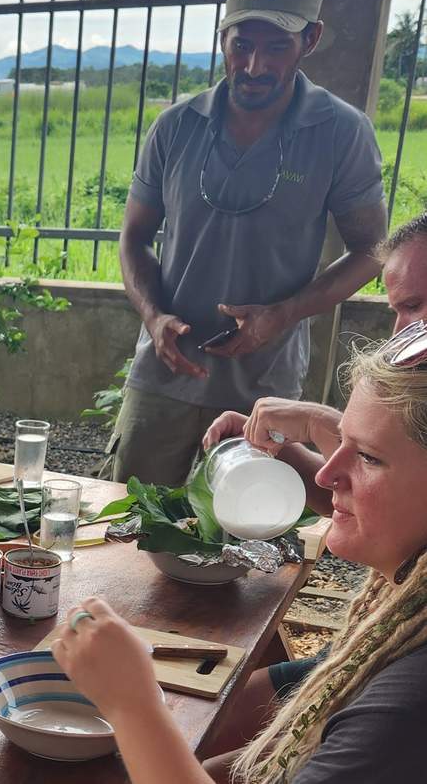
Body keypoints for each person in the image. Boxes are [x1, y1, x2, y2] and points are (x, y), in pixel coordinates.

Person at [55, 323, 427, 784]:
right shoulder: (397, 619)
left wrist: (133, 708)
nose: (328, 475)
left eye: (368, 457)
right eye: (339, 441)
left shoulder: (408, 704)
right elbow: (308, 692)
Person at [108, 0, 387, 488]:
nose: (255, 66)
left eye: (277, 46)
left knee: (246, 536)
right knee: (133, 520)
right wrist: (153, 317)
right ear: (223, 39)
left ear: (310, 39)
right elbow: (134, 239)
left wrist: (282, 314)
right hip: (164, 375)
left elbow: (371, 250)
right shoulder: (176, 127)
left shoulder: (340, 133)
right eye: (243, 44)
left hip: (265, 385)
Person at [194, 210, 427, 756]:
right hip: (365, 648)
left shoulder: (406, 706)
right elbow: (387, 505)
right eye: (397, 310)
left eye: (416, 306)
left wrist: (131, 704)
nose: (403, 333)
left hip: (386, 669)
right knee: (214, 720)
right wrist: (303, 447)